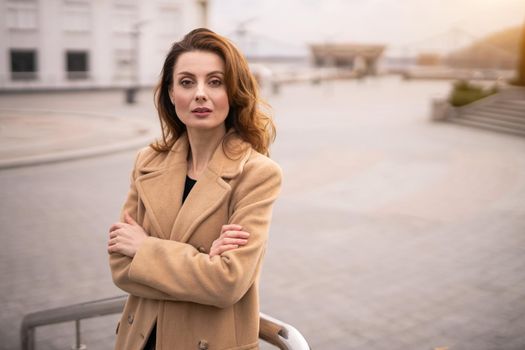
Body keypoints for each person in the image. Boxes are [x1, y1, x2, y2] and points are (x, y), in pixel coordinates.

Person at [107, 28, 282, 350]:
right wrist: (201, 262)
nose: (200, 93)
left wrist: (145, 249)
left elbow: (226, 283)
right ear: (172, 94)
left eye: (215, 82)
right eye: (187, 82)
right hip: (140, 339)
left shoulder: (257, 174)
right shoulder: (147, 161)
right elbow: (121, 268)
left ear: (233, 92)